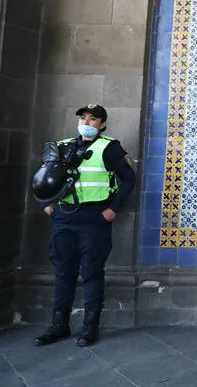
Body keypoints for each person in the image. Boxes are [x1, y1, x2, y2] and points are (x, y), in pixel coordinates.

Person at [33, 104, 135, 347]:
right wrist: (46, 205)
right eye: (83, 118)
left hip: (94, 218)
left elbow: (129, 179)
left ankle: (90, 325)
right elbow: (41, 177)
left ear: (102, 125)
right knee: (63, 271)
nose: (86, 123)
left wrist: (111, 211)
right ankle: (59, 324)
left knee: (91, 271)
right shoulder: (62, 146)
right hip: (64, 217)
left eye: (92, 120)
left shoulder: (109, 147)